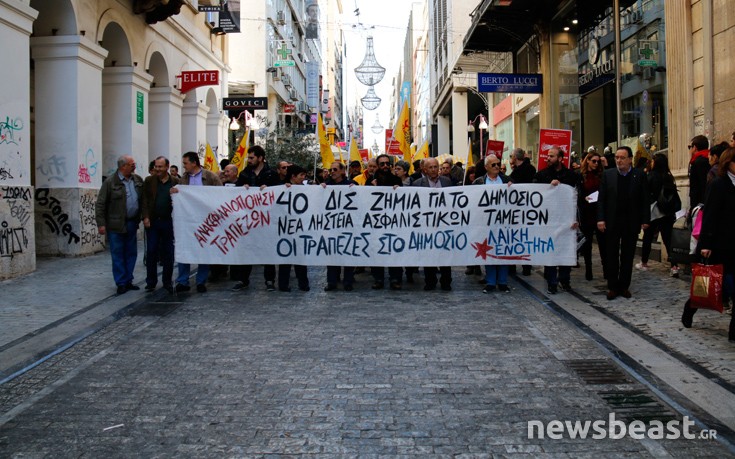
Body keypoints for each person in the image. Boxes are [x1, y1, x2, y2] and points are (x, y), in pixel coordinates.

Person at [682, 147, 735, 342]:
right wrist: (705, 243)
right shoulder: (718, 184)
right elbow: (710, 215)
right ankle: (691, 307)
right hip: (719, 244)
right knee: (711, 285)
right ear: (728, 163)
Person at [597, 146, 650, 300]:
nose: (619, 160)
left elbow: (645, 199)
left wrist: (645, 220)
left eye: (622, 157)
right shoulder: (608, 175)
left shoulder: (639, 175)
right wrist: (601, 219)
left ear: (630, 159)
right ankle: (613, 286)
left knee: (627, 256)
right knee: (611, 255)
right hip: (612, 221)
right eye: (617, 157)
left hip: (631, 222)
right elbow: (602, 199)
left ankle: (624, 286)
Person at [232, 145, 281, 292]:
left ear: (260, 158)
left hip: (267, 219)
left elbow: (279, 193)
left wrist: (270, 190)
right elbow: (235, 194)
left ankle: (269, 280)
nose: (249, 160)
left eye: (252, 157)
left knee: (267, 250)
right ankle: (243, 279)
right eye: (249, 157)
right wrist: (242, 188)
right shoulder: (244, 174)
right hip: (248, 219)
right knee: (247, 248)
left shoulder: (271, 174)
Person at [173, 151, 223, 293]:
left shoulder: (210, 177)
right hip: (188, 221)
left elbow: (221, 195)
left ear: (194, 163)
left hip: (206, 221)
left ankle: (201, 281)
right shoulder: (183, 179)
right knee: (184, 249)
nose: (184, 166)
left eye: (186, 163)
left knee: (204, 250)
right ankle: (183, 281)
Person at [534, 147, 580, 294]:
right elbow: (534, 195)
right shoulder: (542, 175)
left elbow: (577, 198)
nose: (548, 158)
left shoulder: (571, 175)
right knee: (551, 251)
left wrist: (576, 218)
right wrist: (549, 186)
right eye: (548, 155)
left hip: (567, 220)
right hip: (549, 220)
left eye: (552, 156)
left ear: (560, 158)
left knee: (565, 249)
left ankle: (565, 280)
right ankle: (552, 282)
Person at [95, 155, 143, 295]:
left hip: (132, 222)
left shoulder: (137, 180)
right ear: (123, 166)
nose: (134, 166)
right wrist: (101, 224)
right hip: (115, 225)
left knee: (131, 252)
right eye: (131, 164)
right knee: (117, 253)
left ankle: (129, 279)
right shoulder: (110, 182)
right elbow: (101, 204)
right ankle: (121, 282)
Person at [636, 153, 681, 277]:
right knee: (668, 239)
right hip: (667, 212)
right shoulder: (668, 176)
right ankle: (674, 266)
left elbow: (645, 194)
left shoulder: (651, 176)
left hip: (654, 211)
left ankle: (644, 262)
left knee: (648, 237)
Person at [412, 157, 453, 291]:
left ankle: (446, 281)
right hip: (426, 226)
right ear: (425, 169)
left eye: (436, 167)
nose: (434, 170)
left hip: (444, 224)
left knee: (445, 254)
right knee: (428, 254)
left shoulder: (447, 182)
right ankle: (430, 281)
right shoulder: (417, 184)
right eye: (431, 167)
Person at [473, 155, 511, 293]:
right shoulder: (479, 182)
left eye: (498, 164)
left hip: (504, 222)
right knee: (488, 252)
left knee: (503, 251)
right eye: (493, 165)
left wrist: (513, 189)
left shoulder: (507, 180)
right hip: (486, 223)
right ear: (486, 167)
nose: (497, 167)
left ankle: (502, 282)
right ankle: (490, 281)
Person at [141, 156, 178, 292]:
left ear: (167, 167)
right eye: (156, 166)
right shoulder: (149, 180)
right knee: (151, 251)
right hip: (153, 222)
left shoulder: (175, 181)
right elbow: (144, 200)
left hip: (169, 221)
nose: (157, 169)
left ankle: (167, 281)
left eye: (160, 166)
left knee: (168, 252)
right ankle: (151, 281)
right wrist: (145, 217)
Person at [369, 154, 404, 290]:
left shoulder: (396, 180)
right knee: (376, 251)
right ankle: (378, 279)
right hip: (375, 223)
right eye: (382, 164)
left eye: (387, 164)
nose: (385, 166)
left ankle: (395, 278)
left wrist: (399, 190)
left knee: (394, 250)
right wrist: (371, 189)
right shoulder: (370, 180)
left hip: (393, 222)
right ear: (377, 166)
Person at [323, 161, 357, 291]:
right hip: (331, 226)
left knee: (348, 253)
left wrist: (356, 190)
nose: (332, 172)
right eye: (331, 170)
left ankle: (347, 281)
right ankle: (332, 281)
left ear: (343, 171)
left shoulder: (351, 185)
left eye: (335, 170)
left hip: (348, 226)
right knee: (332, 255)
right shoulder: (327, 185)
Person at [277, 165, 310, 292]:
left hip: (300, 228)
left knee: (300, 258)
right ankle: (283, 285)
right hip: (284, 228)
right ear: (293, 176)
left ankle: (303, 284)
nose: (304, 178)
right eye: (301, 175)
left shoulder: (306, 189)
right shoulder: (279, 187)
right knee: (285, 258)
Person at [578, 150, 606, 281]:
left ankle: (606, 269)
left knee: (603, 244)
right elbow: (579, 196)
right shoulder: (582, 176)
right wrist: (587, 199)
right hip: (587, 212)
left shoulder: (602, 175)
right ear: (587, 161)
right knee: (587, 244)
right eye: (593, 161)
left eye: (598, 161)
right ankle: (588, 270)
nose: (596, 164)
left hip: (600, 213)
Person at [508, 147, 537, 276]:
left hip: (519, 208)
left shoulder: (517, 172)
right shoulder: (531, 169)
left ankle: (512, 266)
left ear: (515, 158)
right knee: (526, 237)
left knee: (515, 238)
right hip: (527, 209)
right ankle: (526, 266)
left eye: (511, 156)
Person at [688, 134, 710, 209]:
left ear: (695, 148)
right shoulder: (709, 159)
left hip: (700, 204)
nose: (689, 150)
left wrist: (693, 207)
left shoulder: (697, 162)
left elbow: (696, 187)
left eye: (689, 147)